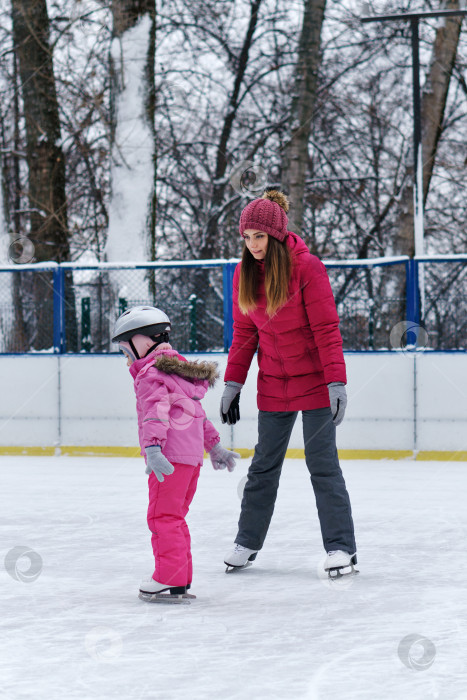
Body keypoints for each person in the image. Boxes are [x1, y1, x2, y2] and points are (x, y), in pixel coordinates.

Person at [221, 189, 357, 578]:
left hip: (315, 384)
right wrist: (234, 382)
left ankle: (341, 549)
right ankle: (246, 542)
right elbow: (244, 334)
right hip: (274, 384)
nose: (252, 245)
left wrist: (336, 383)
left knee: (322, 465)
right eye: (246, 237)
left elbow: (327, 330)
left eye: (259, 236)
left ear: (276, 234)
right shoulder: (244, 272)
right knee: (263, 466)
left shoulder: (307, 268)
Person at [112, 305, 239, 602]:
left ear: (142, 342)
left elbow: (155, 413)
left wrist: (153, 448)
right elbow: (196, 414)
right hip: (190, 461)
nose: (126, 358)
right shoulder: (179, 372)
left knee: (162, 517)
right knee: (175, 517)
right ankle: (179, 579)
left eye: (125, 350)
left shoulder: (150, 374)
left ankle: (168, 577)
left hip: (167, 459)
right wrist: (214, 446)